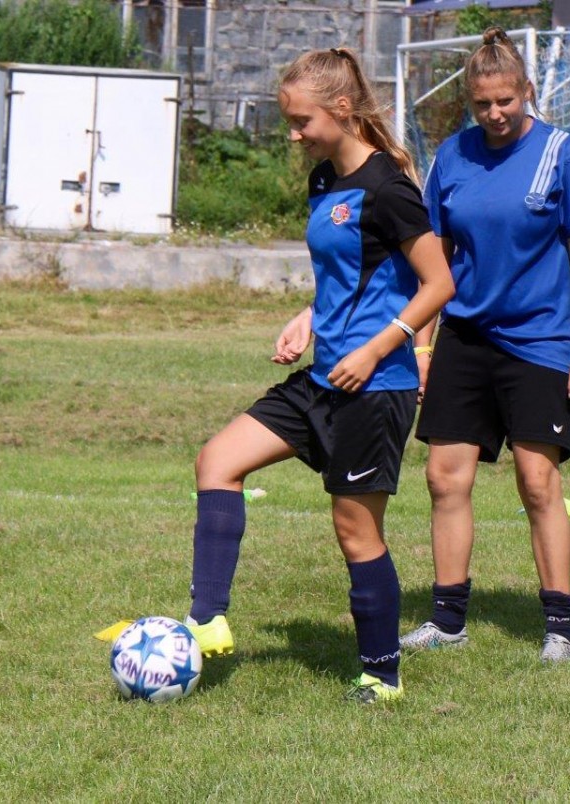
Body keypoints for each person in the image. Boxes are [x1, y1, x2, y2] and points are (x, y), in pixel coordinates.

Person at [171, 48, 452, 704]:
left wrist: (377, 349)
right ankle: (207, 618)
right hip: (323, 378)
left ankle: (381, 675)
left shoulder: (390, 189)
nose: (294, 136)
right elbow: (346, 276)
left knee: (355, 531)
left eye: (302, 122)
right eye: (290, 123)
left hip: (375, 389)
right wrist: (309, 317)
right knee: (217, 461)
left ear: (342, 109)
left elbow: (439, 284)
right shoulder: (325, 181)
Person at [399, 27, 570, 663]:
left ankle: (558, 628)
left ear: (528, 91)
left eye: (505, 101)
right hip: (463, 337)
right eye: (482, 103)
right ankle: (447, 620)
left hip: (538, 340)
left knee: (537, 480)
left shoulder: (564, 154)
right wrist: (423, 348)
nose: (494, 114)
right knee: (443, 476)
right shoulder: (451, 156)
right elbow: (433, 262)